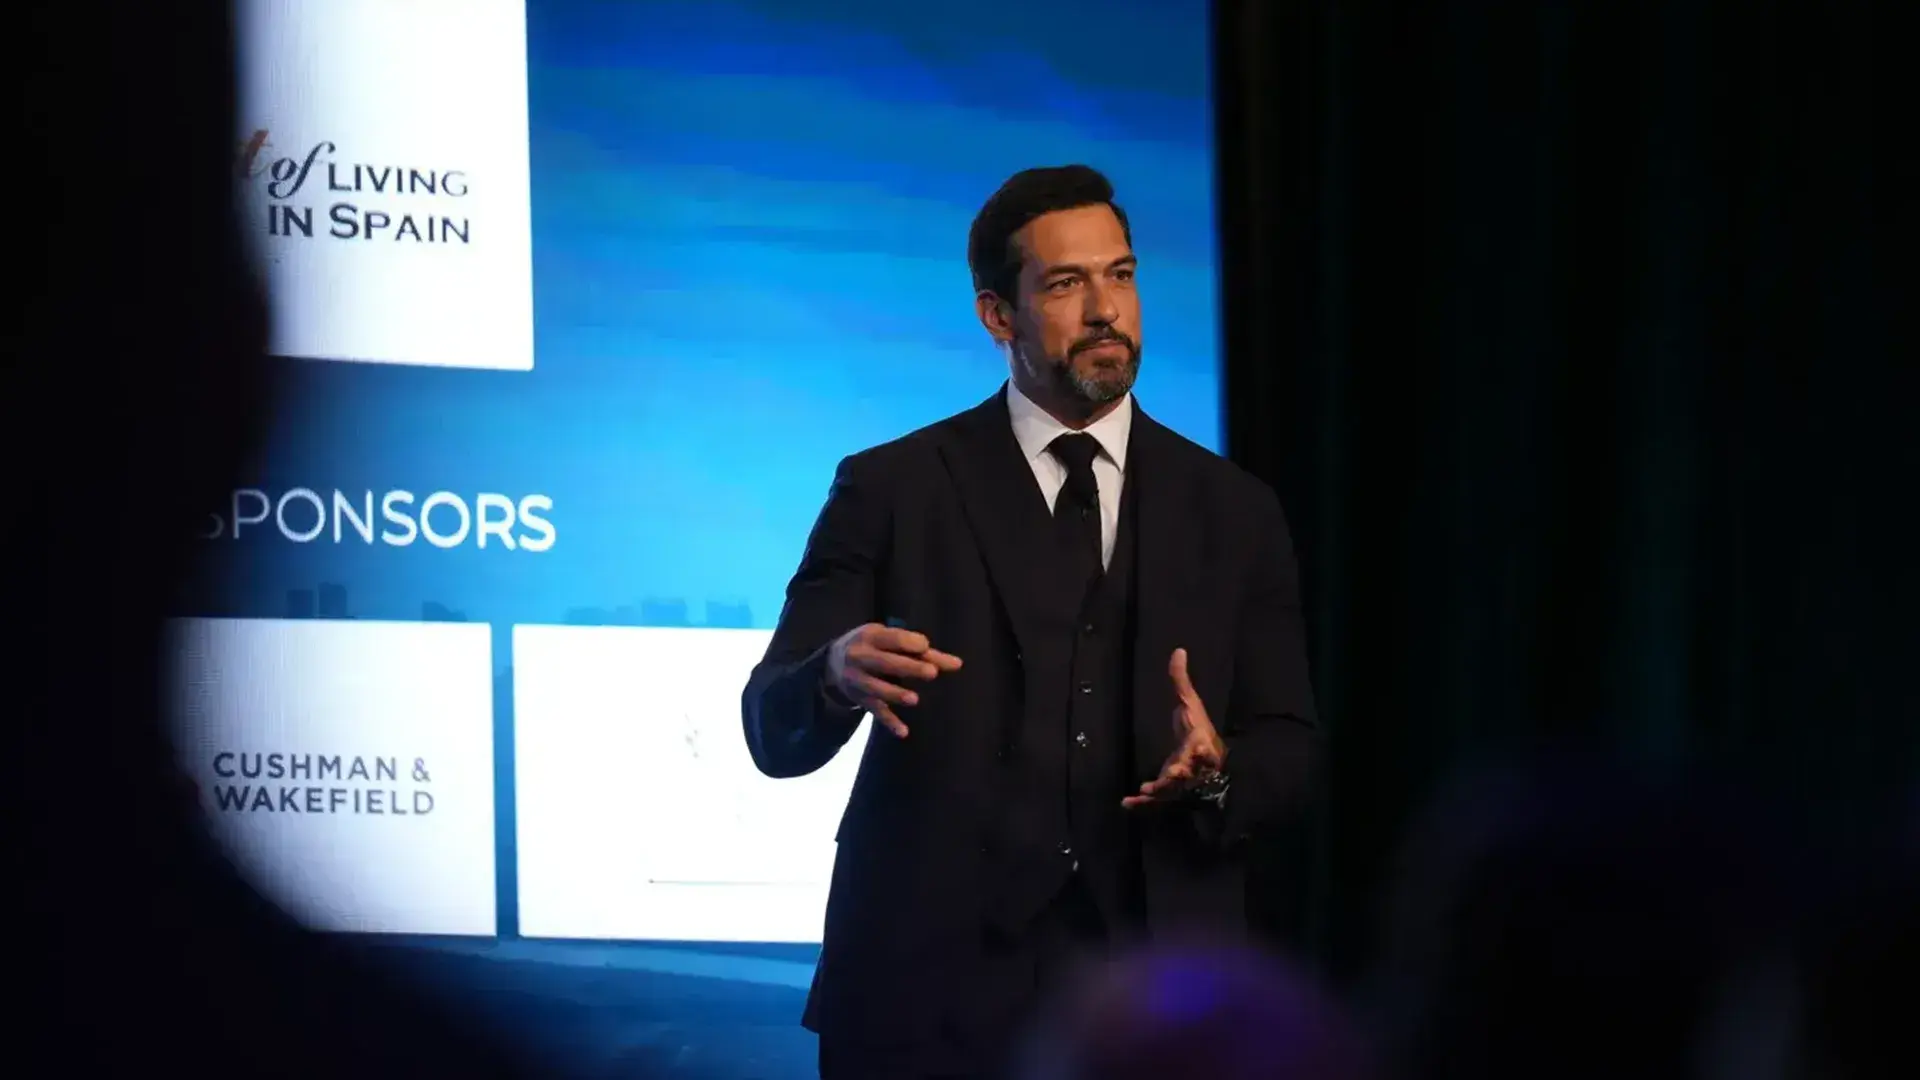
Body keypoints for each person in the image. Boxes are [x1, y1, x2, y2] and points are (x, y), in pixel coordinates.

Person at [742, 165, 1319, 1078]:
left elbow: (1291, 747)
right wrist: (832, 672)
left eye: (1121, 276)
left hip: (1159, 1003)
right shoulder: (892, 488)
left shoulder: (1235, 510)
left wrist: (1217, 775)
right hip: (924, 993)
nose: (1105, 309)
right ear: (996, 316)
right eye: (1066, 282)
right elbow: (771, 729)